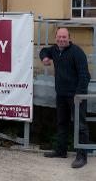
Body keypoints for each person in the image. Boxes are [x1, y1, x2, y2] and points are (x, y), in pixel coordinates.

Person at [40, 27, 90, 168]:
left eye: (64, 37)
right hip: (61, 94)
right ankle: (61, 151)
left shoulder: (77, 53)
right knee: (62, 123)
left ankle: (82, 156)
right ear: (56, 38)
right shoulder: (55, 50)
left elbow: (84, 76)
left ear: (69, 38)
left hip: (76, 96)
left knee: (80, 126)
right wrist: (44, 57)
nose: (61, 39)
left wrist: (78, 95)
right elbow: (44, 51)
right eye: (59, 37)